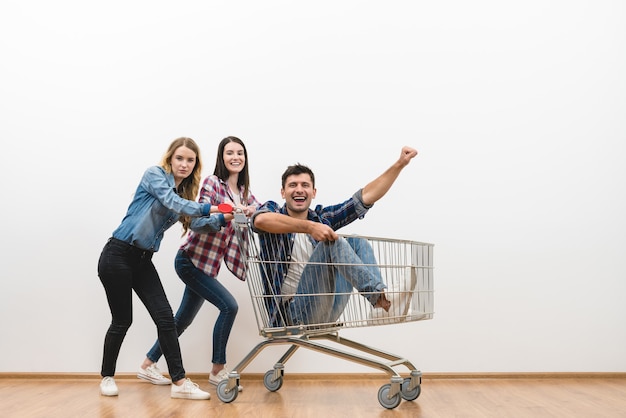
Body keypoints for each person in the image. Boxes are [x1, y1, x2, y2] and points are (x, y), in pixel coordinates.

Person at [97, 137, 221, 400]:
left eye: (190, 160)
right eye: (180, 158)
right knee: (122, 320)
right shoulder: (154, 176)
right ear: (170, 158)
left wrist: (223, 217)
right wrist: (212, 207)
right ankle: (107, 376)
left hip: (142, 261)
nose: (184, 164)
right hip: (117, 254)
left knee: (165, 318)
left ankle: (179, 383)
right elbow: (172, 203)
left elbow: (195, 223)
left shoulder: (185, 194)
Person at [137, 136, 260, 391]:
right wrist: (225, 217)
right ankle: (217, 370)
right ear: (221, 157)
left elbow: (261, 211)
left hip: (208, 266)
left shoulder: (246, 194)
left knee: (181, 320)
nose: (235, 157)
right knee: (229, 306)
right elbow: (195, 221)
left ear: (245, 158)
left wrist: (260, 213)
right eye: (229, 153)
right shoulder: (213, 183)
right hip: (190, 261)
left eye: (240, 152)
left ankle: (148, 364)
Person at [251, 146, 418, 327]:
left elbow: (365, 198)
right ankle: (383, 302)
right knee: (330, 242)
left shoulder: (323, 219)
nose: (299, 190)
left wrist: (400, 164)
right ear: (283, 192)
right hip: (294, 315)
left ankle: (381, 305)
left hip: (328, 308)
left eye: (305, 185)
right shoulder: (274, 212)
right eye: (293, 185)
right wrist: (309, 227)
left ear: (313, 192)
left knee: (355, 241)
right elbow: (260, 221)